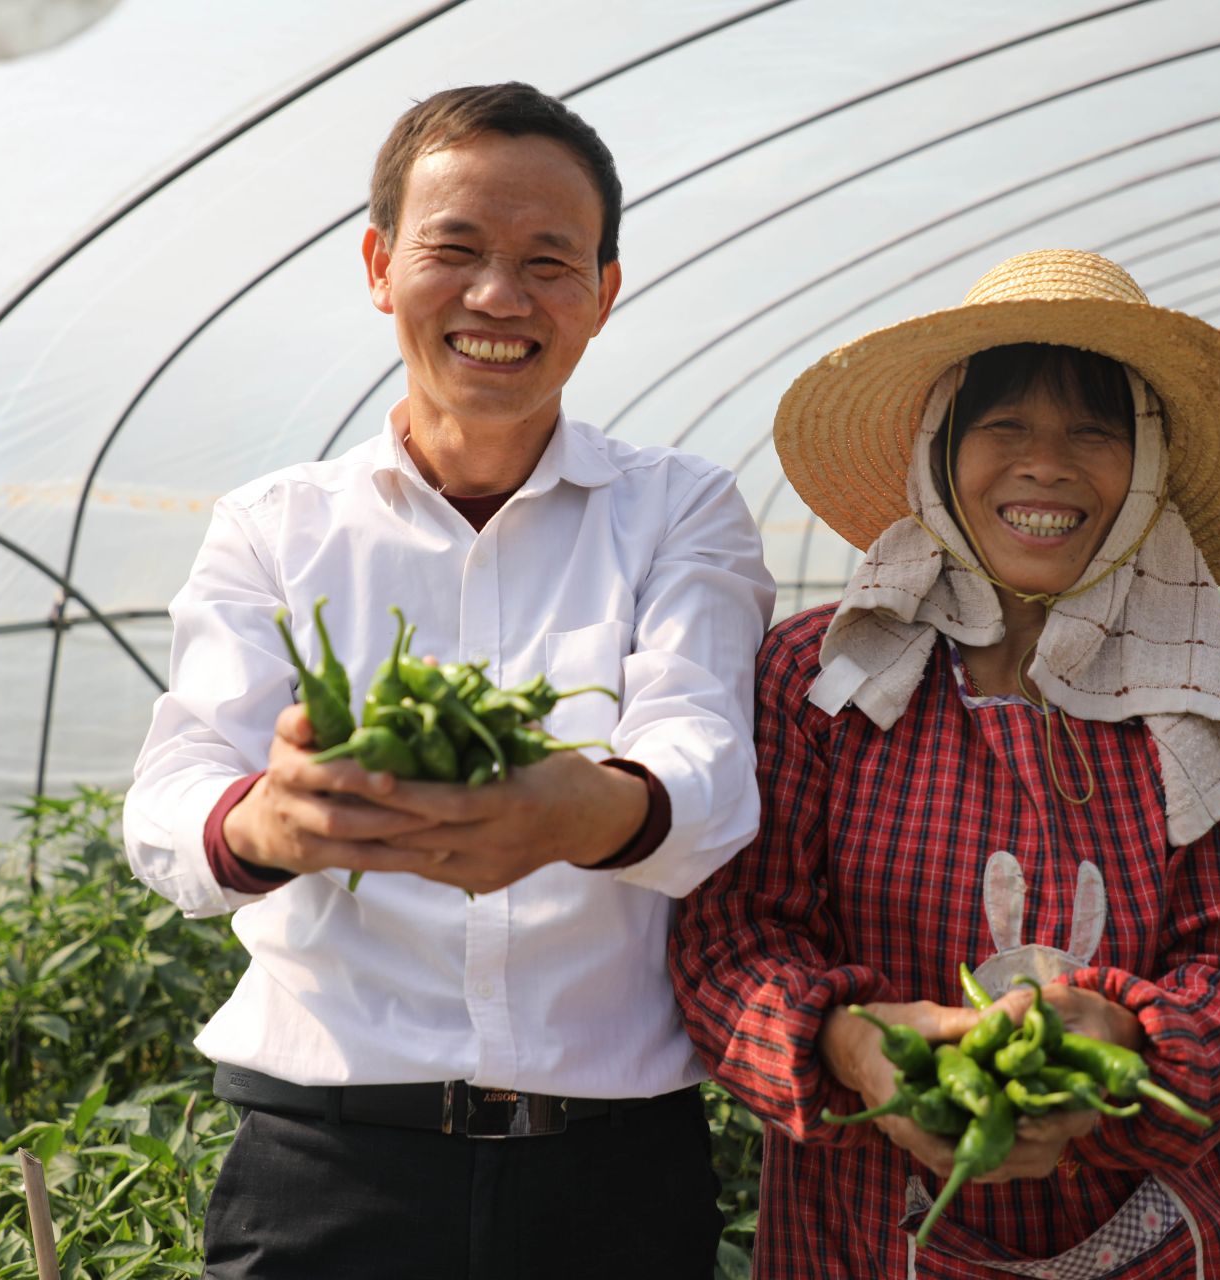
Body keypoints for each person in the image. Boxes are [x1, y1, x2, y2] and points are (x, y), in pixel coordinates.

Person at [123, 82, 774, 1279]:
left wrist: (582, 808)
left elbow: (708, 772)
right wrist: (269, 819)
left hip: (612, 1180)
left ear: (602, 295)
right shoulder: (278, 526)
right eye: (455, 250)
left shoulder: (680, 508)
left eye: (548, 261)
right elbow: (171, 803)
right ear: (379, 266)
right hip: (329, 1168)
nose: (497, 297)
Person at [671, 248, 1220, 1277]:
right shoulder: (827, 674)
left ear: (1144, 467)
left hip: (1147, 1229)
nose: (1047, 464)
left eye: (1093, 431)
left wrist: (1123, 1037)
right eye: (1006, 425)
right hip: (861, 1228)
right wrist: (850, 1042)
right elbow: (730, 941)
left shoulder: (1182, 691)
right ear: (942, 450)